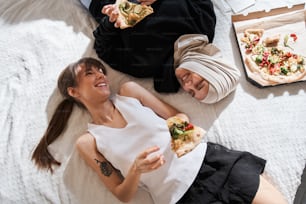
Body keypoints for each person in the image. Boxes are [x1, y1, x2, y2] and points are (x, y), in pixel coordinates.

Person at [32, 57, 286, 204]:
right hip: (183, 198)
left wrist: (181, 142)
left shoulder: (129, 92)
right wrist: (135, 170)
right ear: (74, 92)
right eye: (89, 73)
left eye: (101, 70)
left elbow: (177, 116)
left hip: (211, 162)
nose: (101, 75)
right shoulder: (89, 142)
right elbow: (122, 193)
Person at [80, 0, 241, 103]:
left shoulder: (145, 67)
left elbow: (103, 47)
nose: (187, 85)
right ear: (210, 68)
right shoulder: (203, 23)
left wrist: (111, 21)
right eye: (199, 84)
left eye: (191, 92)